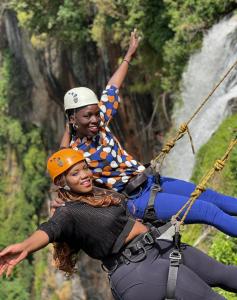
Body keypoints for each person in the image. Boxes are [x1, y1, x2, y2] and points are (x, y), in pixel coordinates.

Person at [58, 29, 237, 237]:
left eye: (96, 114)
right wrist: (67, 129)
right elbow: (60, 162)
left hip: (151, 181)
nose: (94, 119)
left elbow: (112, 88)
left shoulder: (101, 123)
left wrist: (129, 55)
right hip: (137, 200)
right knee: (207, 210)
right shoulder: (75, 153)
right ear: (72, 119)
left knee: (211, 198)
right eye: (87, 116)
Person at [0, 148, 237, 300]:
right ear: (62, 182)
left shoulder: (99, 193)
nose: (83, 175)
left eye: (84, 169)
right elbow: (48, 230)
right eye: (74, 174)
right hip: (138, 271)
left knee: (227, 275)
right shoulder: (68, 213)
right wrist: (25, 246)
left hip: (160, 248)